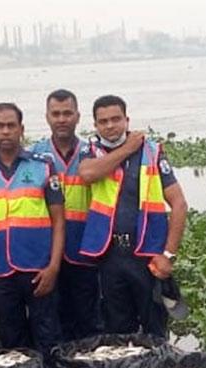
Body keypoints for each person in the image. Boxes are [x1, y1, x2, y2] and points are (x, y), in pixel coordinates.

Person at [77, 95, 188, 338]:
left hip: (147, 254)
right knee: (117, 330)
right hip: (110, 256)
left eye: (116, 119)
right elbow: (87, 174)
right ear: (95, 125)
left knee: (155, 329)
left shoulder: (152, 151)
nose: (110, 125)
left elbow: (179, 204)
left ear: (127, 120)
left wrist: (168, 254)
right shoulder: (90, 151)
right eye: (103, 121)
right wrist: (127, 148)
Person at [0, 102, 64, 353]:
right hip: (0, 271)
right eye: (0, 126)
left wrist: (53, 267)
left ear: (21, 129)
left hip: (38, 267)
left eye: (11, 126)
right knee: (12, 340)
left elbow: (58, 220)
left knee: (48, 335)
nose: (6, 131)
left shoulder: (43, 165)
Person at [30, 89, 100, 341]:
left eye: (67, 113)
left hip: (86, 250)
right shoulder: (34, 157)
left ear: (78, 116)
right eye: (56, 114)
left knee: (89, 322)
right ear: (47, 117)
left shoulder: (93, 153)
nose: (62, 119)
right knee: (51, 321)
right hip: (49, 255)